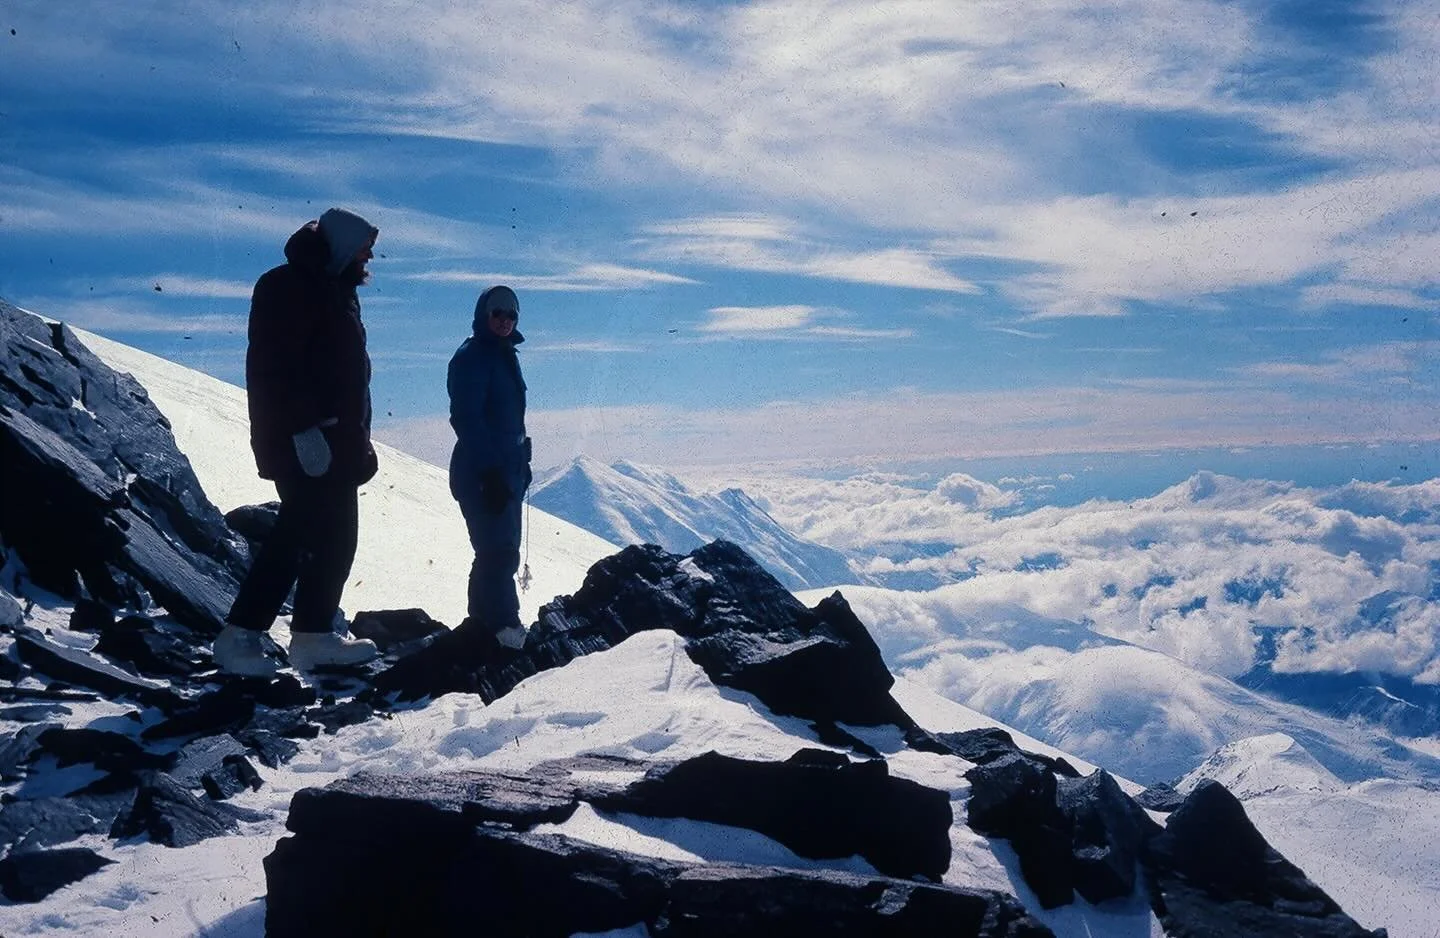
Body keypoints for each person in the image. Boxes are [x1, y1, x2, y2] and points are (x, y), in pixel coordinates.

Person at [211, 208, 383, 677]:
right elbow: (274, 368)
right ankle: (239, 635)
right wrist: (305, 430)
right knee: (297, 534)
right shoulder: (286, 285)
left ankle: (312, 635)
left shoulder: (337, 288)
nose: (371, 253)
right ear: (343, 244)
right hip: (302, 439)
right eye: (365, 244)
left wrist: (356, 441)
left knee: (335, 538)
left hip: (335, 441)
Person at [447, 285, 532, 650]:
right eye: (498, 313)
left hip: (504, 471)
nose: (505, 320)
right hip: (483, 473)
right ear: (484, 314)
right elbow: (466, 419)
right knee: (497, 550)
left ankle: (483, 622)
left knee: (497, 550)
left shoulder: (502, 354)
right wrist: (490, 473)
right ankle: (504, 626)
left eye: (511, 314)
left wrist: (518, 463)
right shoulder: (473, 357)